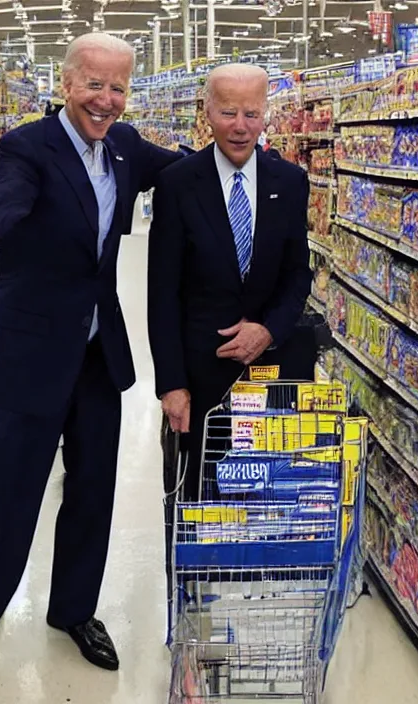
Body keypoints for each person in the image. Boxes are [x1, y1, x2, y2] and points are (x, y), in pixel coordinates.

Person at [0, 32, 180, 680]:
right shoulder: (26, 146)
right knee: (5, 494)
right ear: (68, 83)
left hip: (95, 351)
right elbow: (5, 222)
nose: (107, 99)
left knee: (93, 488)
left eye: (118, 87)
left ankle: (74, 611)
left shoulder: (126, 147)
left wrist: (252, 153)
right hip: (30, 349)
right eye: (95, 84)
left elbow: (187, 173)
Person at [147, 64, 315, 504]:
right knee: (200, 502)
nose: (240, 127)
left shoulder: (291, 182)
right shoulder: (177, 183)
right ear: (207, 114)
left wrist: (269, 329)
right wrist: (171, 384)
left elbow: (298, 272)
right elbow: (161, 293)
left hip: (272, 374)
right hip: (201, 377)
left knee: (271, 500)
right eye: (227, 113)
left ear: (265, 115)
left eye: (251, 114)